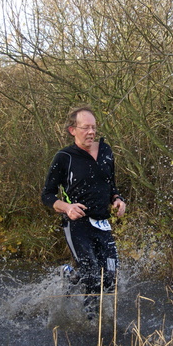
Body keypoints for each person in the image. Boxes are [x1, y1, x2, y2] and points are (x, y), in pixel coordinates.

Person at [41, 105, 126, 321]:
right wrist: (67, 207)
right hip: (77, 224)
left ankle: (72, 275)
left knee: (109, 280)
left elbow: (110, 185)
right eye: (86, 127)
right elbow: (47, 195)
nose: (91, 132)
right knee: (91, 276)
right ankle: (92, 323)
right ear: (73, 130)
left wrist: (117, 199)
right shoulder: (64, 157)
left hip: (102, 223)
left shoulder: (106, 152)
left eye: (94, 127)